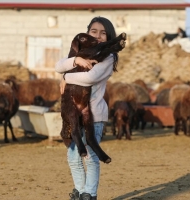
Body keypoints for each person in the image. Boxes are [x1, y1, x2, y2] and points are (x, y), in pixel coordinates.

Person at [55, 16, 120, 200]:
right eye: (94, 31)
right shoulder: (81, 53)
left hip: (94, 115)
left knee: (91, 157)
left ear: (109, 37)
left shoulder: (108, 56)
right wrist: (75, 60)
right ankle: (80, 191)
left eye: (103, 33)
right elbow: (58, 66)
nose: (98, 36)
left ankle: (89, 194)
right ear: (87, 33)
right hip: (74, 115)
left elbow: (90, 78)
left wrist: (66, 78)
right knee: (73, 157)